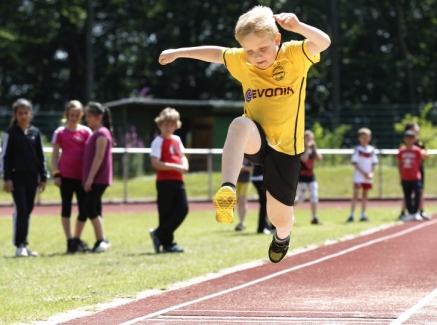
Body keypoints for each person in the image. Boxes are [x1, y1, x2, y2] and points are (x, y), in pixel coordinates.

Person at [159, 6, 331, 263]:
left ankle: (282, 236)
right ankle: (228, 188)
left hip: (286, 149)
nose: (256, 57)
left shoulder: (294, 55)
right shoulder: (243, 61)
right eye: (249, 51)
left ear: (277, 40)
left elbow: (324, 42)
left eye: (262, 49)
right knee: (239, 124)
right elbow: (216, 53)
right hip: (257, 138)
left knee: (279, 218)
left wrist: (298, 27)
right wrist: (178, 53)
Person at [0, 98, 48, 257]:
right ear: (15, 114)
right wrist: (6, 178)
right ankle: (20, 244)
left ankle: (24, 244)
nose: (23, 116)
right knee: (21, 210)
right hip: (16, 178)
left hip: (32, 179)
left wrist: (43, 176)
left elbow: (41, 156)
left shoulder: (35, 133)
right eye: (20, 113)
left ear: (31, 114)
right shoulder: (10, 134)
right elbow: (4, 156)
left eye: (26, 113)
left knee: (27, 210)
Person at [52, 100, 93, 253]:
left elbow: (91, 153)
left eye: (77, 115)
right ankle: (69, 240)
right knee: (66, 208)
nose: (74, 118)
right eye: (71, 115)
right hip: (66, 176)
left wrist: (90, 176)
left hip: (82, 177)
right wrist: (57, 175)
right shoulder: (60, 132)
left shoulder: (86, 132)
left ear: (81, 115)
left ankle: (77, 238)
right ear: (66, 115)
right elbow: (55, 156)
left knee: (84, 209)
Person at [149, 107, 189, 253]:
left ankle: (158, 233)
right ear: (160, 124)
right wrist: (175, 167)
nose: (169, 128)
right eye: (166, 124)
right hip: (164, 182)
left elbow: (182, 156)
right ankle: (167, 244)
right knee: (166, 212)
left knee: (182, 209)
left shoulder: (177, 140)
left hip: (178, 180)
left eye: (172, 125)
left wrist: (184, 164)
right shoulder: (157, 142)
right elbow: (155, 163)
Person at [82, 102, 113, 253]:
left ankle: (103, 239)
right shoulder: (96, 133)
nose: (86, 119)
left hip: (98, 178)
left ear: (99, 117)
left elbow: (99, 157)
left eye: (89, 116)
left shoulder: (102, 134)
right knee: (95, 208)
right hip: (95, 178)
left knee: (88, 207)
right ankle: (99, 241)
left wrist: (90, 178)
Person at [346, 128, 378, 223]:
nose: (365, 139)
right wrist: (364, 173)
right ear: (359, 138)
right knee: (356, 194)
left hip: (368, 177)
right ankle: (351, 214)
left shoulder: (371, 150)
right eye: (363, 137)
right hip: (359, 176)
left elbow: (374, 163)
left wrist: (371, 173)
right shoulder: (357, 149)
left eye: (367, 137)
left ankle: (363, 214)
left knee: (365, 195)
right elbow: (355, 163)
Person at [399, 123, 430, 220]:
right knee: (407, 192)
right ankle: (404, 211)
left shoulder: (420, 142)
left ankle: (420, 210)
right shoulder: (405, 145)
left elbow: (424, 153)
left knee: (419, 191)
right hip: (407, 171)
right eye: (416, 128)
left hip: (417, 170)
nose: (418, 130)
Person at [296, 130, 322, 225]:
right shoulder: (301, 149)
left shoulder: (313, 150)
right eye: (306, 138)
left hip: (311, 177)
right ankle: (289, 211)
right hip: (302, 178)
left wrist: (315, 148)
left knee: (314, 196)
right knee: (300, 198)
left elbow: (320, 159)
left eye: (310, 138)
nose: (309, 140)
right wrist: (307, 148)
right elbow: (304, 159)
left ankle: (314, 217)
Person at [251, 164, 272, 234]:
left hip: (257, 176)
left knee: (266, 202)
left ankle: (267, 226)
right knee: (266, 203)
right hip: (262, 177)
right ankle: (263, 226)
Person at [235, 158, 253, 231]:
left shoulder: (249, 156)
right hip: (237, 180)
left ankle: (242, 222)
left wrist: (243, 168)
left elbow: (253, 168)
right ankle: (240, 221)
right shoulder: (237, 154)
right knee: (239, 201)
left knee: (243, 200)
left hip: (246, 181)